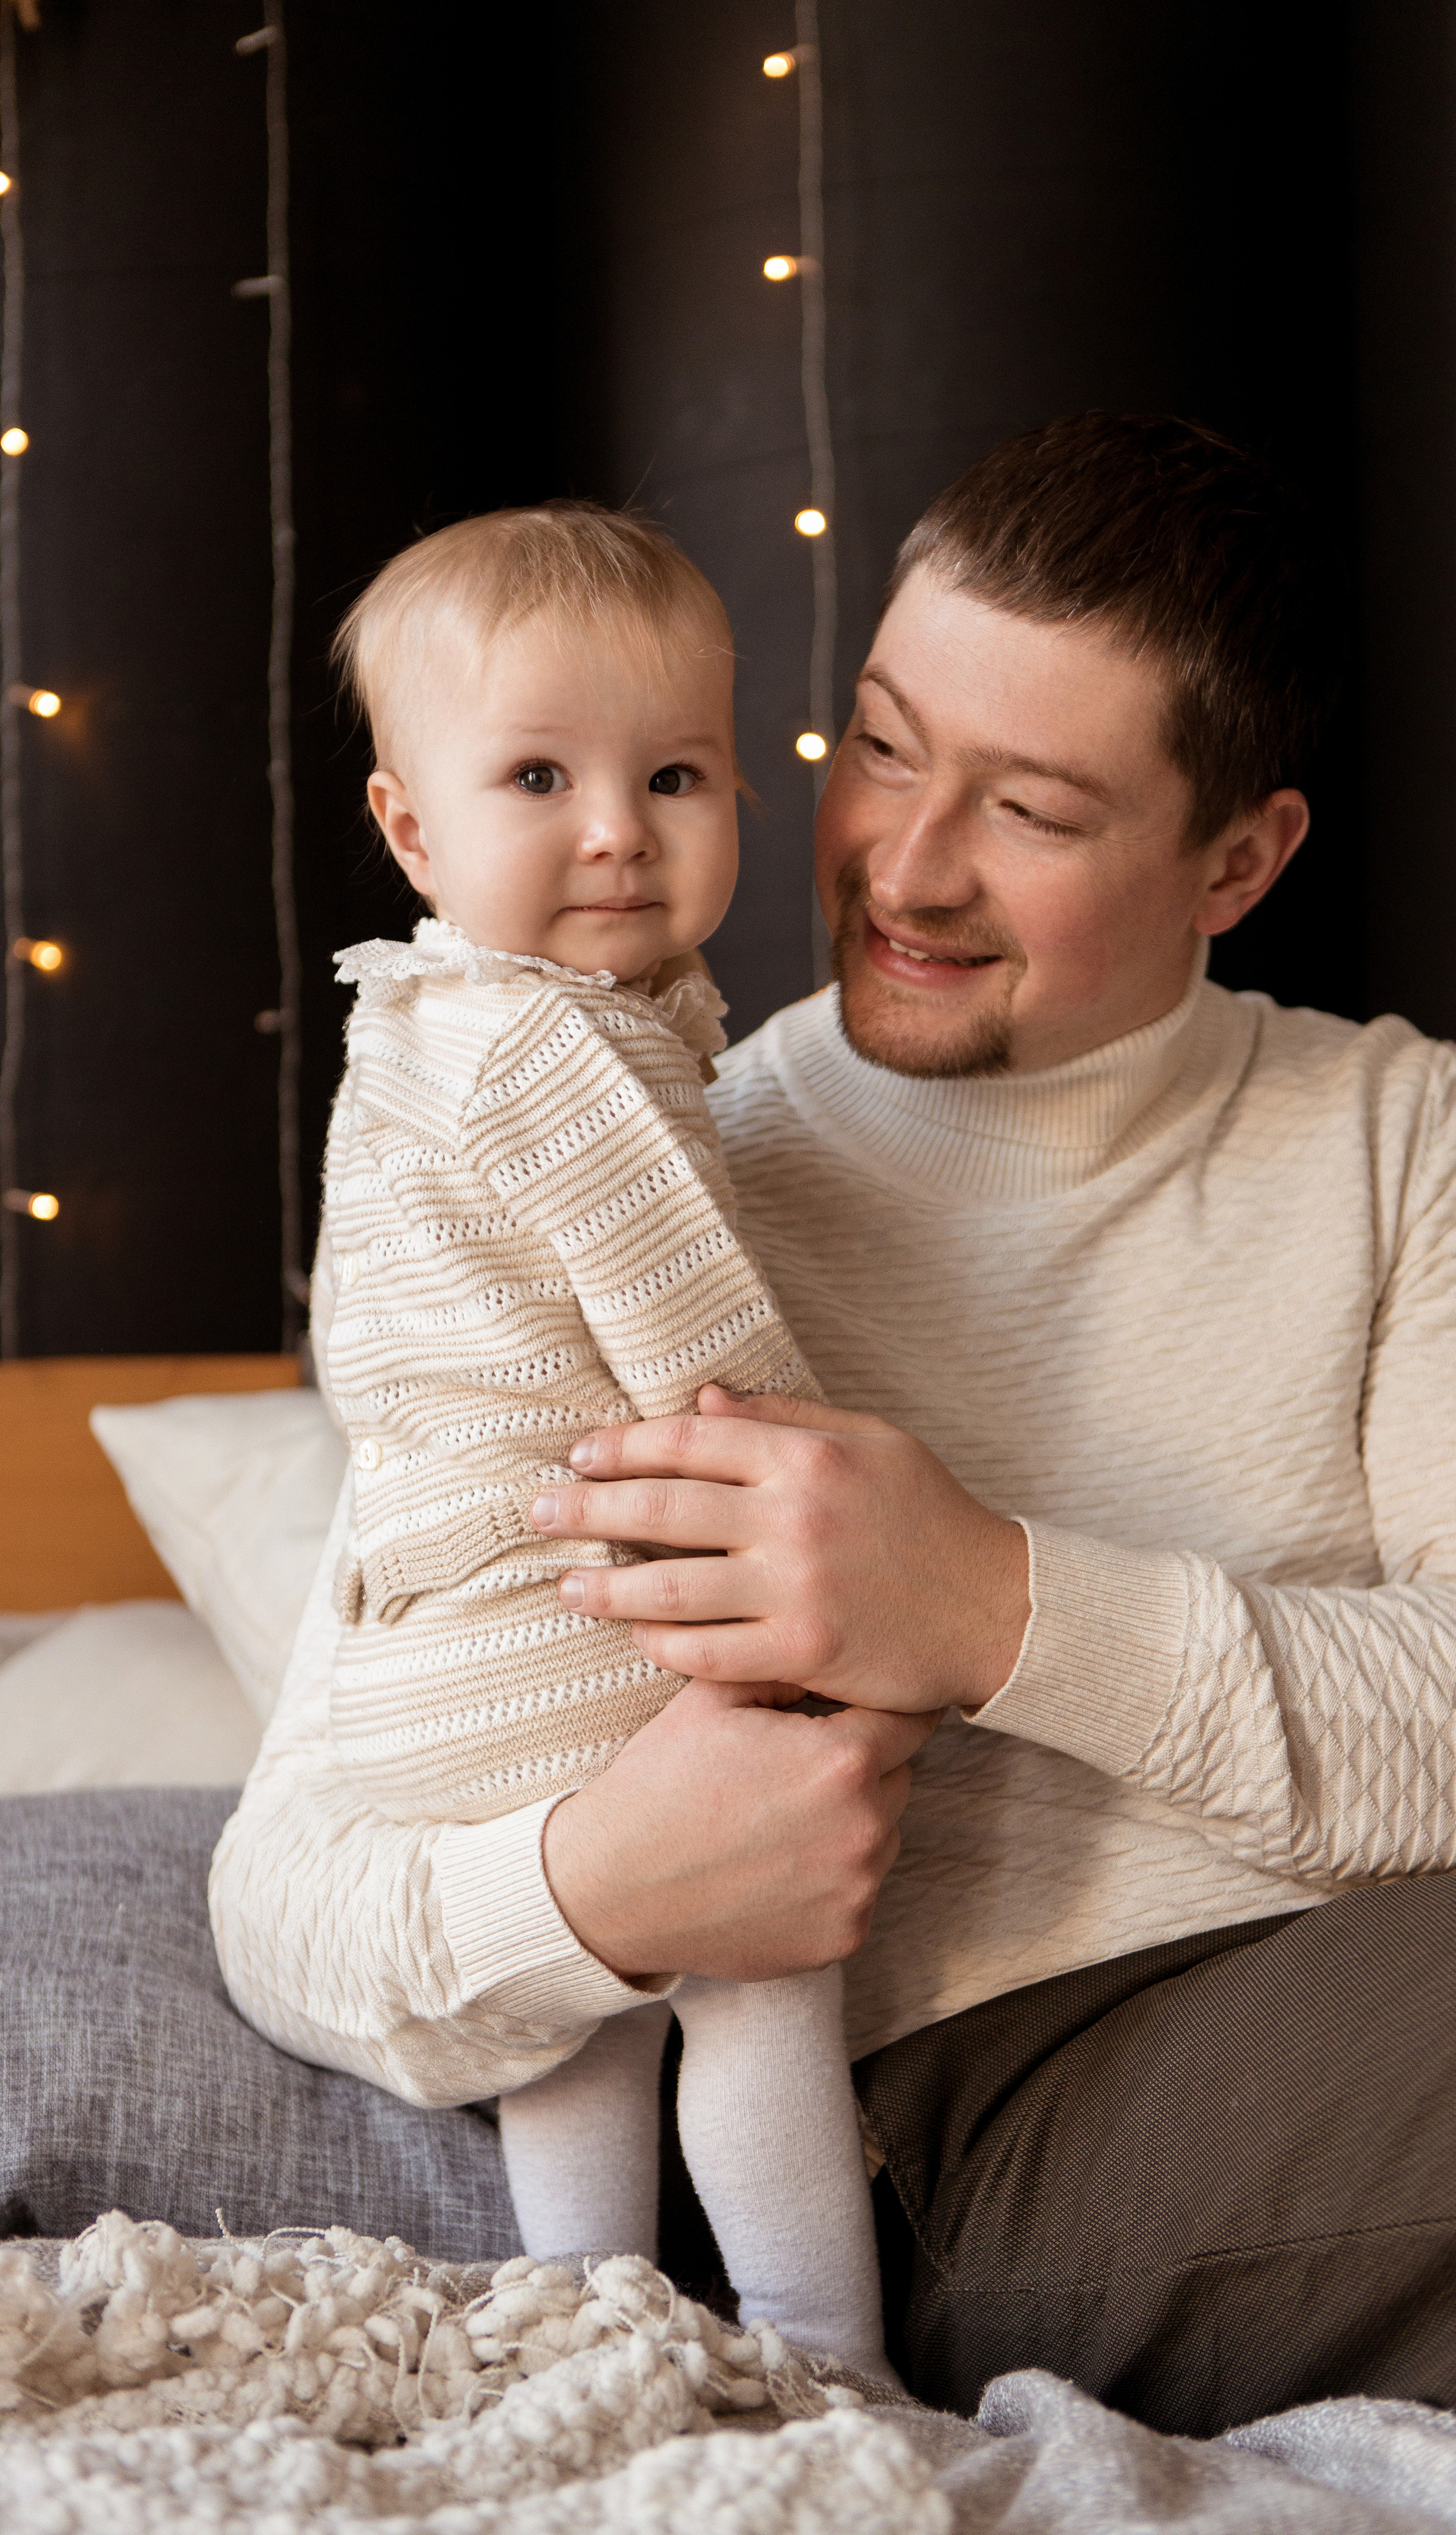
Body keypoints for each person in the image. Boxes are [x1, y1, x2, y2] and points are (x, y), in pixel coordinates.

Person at [212, 415, 1456, 2439]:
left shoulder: (1399, 1136)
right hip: (967, 2114)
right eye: (885, 749)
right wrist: (596, 1892)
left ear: (1238, 862)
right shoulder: (632, 1164)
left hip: (1403, 2015)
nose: (906, 866)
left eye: (1037, 811)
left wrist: (997, 1610)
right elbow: (287, 1889)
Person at [278, 500, 893, 2382]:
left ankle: (587, 2338)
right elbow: (711, 1364)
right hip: (569, 1620)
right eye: (540, 774)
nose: (620, 826)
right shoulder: (555, 1053)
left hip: (438, 1660)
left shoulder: (419, 1027)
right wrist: (845, 1517)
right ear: (410, 826)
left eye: (677, 772)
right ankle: (827, 2351)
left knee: (589, 2015)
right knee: (766, 1986)